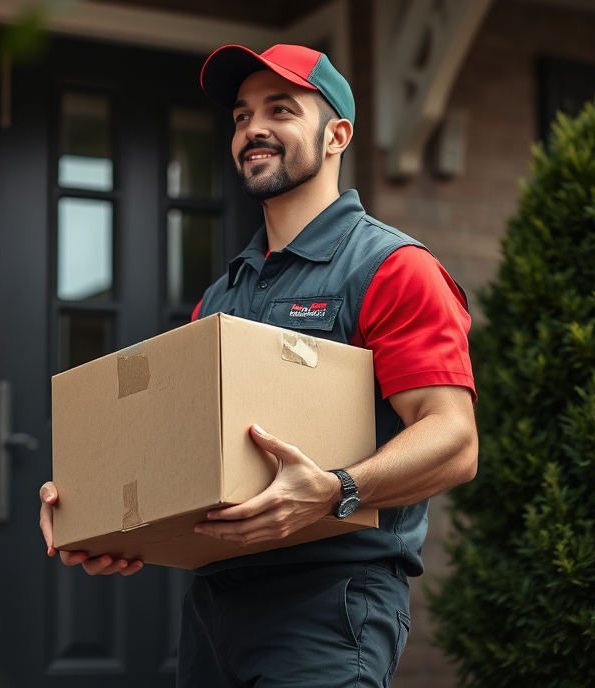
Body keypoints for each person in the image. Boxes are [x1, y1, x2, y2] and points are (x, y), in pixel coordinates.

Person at [39, 43, 478, 687]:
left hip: (329, 604)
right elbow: (184, 460)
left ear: (337, 135)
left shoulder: (391, 268)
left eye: (282, 109)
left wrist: (335, 491)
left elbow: (455, 440)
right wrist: (99, 516)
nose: (254, 129)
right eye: (242, 115)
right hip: (213, 610)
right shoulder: (220, 298)